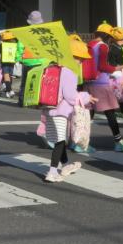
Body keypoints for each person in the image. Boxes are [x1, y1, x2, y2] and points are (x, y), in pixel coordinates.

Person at [43, 39, 97, 182]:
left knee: (58, 140)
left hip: (49, 109)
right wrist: (86, 97)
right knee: (60, 142)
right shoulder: (68, 72)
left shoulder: (52, 67)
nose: (81, 62)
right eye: (79, 58)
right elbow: (70, 96)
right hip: (61, 112)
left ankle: (66, 165)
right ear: (71, 57)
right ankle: (52, 172)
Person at [85, 23, 123, 152]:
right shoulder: (103, 47)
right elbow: (103, 66)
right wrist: (116, 68)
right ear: (107, 35)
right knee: (110, 112)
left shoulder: (89, 45)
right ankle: (118, 141)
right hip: (101, 82)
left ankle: (79, 141)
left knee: (88, 113)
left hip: (89, 81)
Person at [17, 10, 46, 105]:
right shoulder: (43, 33)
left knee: (25, 82)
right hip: (40, 62)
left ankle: (22, 100)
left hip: (27, 60)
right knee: (38, 82)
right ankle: (36, 101)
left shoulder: (25, 33)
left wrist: (18, 58)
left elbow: (20, 47)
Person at [0, 31, 21, 98]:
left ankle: (9, 90)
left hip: (5, 61)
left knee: (6, 75)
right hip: (12, 61)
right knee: (10, 75)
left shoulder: (2, 44)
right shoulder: (15, 44)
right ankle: (8, 91)